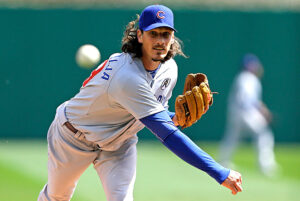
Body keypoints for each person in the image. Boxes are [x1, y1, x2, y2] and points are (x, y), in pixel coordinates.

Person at [38, 5, 242, 201]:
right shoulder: (127, 77)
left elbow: (158, 114)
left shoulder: (169, 69)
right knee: (57, 197)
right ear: (140, 36)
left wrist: (175, 118)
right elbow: (167, 134)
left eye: (166, 34)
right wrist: (219, 172)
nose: (161, 41)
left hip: (119, 142)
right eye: (154, 34)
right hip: (73, 137)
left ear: (172, 38)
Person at [219, 53, 278, 177]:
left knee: (232, 137)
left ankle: (223, 161)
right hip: (246, 113)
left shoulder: (240, 77)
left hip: (235, 113)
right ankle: (265, 165)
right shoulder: (250, 78)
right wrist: (264, 112)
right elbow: (249, 99)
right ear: (250, 66)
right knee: (264, 134)